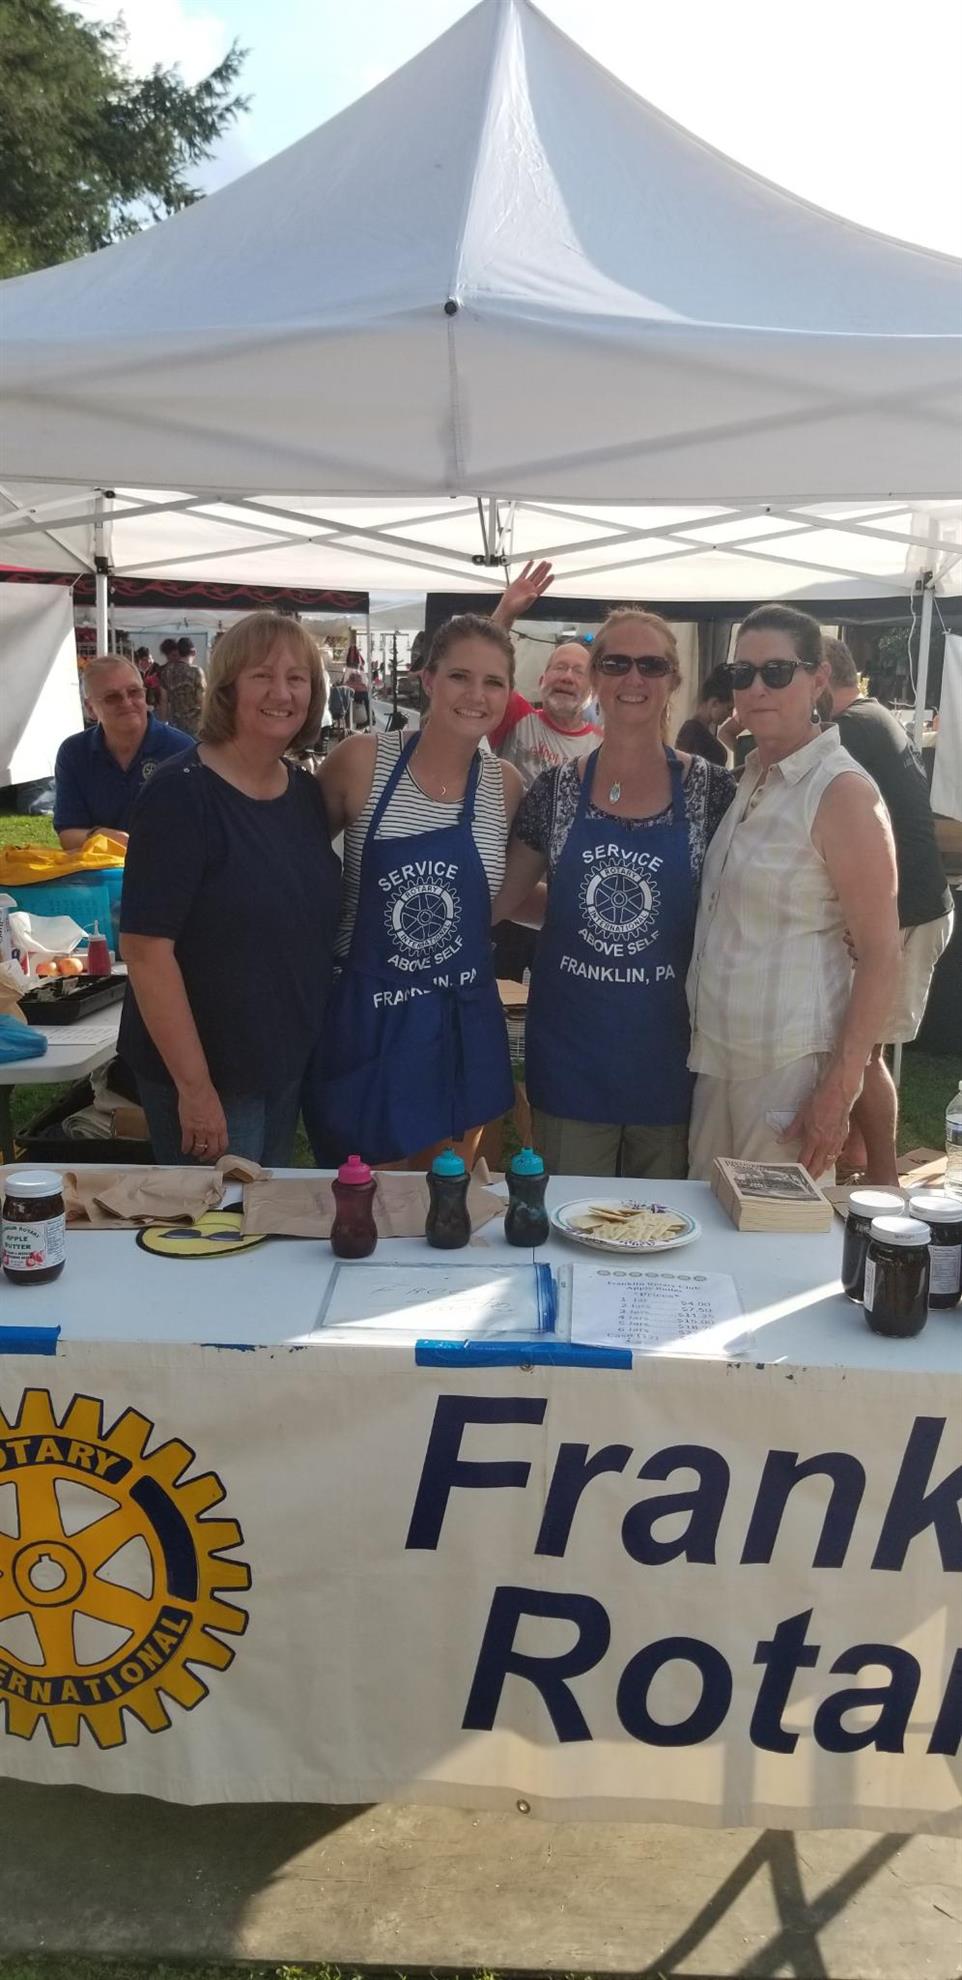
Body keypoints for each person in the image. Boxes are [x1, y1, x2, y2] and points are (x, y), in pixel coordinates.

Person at [492, 609, 736, 1177]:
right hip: (574, 1054)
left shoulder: (712, 791)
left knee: (664, 1236)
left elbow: (759, 892)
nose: (634, 678)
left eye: (651, 665)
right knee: (569, 1229)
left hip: (675, 1057)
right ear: (596, 677)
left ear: (673, 680)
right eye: (617, 663)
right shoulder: (555, 789)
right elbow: (503, 898)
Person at [687, 605, 901, 1183]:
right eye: (742, 673)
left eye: (776, 672)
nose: (756, 688)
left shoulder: (842, 792)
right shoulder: (752, 776)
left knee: (775, 1259)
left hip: (788, 1070)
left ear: (818, 681)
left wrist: (840, 1086)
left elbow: (882, 954)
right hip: (720, 1058)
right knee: (710, 1257)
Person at [119, 613, 341, 1165]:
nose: (282, 693)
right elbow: (146, 953)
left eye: (298, 679)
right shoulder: (181, 793)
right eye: (262, 675)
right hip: (209, 1076)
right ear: (227, 687)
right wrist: (195, 1092)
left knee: (261, 1226)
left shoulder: (306, 795)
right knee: (216, 1235)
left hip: (282, 1062)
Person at [311, 614, 524, 1168]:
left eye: (494, 682)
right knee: (368, 1201)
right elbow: (292, 869)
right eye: (459, 676)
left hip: (461, 1023)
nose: (476, 695)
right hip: (372, 1021)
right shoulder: (362, 762)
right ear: (427, 679)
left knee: (455, 1207)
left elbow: (509, 897)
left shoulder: (505, 787)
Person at [823, 635, 953, 1182]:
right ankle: (857, 1160)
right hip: (911, 907)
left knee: (864, 1048)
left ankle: (881, 1179)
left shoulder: (851, 727)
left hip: (907, 912)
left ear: (823, 674)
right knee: (859, 1041)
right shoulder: (869, 718)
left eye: (787, 672)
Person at [54, 655, 193, 850]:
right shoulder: (74, 753)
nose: (127, 702)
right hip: (100, 872)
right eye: (112, 697)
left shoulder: (182, 750)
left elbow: (200, 832)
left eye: (134, 692)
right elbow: (68, 835)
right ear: (90, 709)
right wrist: (99, 836)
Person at [489, 638, 600, 786]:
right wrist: (507, 614)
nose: (567, 677)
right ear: (542, 681)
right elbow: (487, 664)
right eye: (560, 667)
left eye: (579, 672)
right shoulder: (516, 715)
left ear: (591, 693)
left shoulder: (602, 744)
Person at [675, 665, 735, 767]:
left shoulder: (693, 731)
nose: (730, 715)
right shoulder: (692, 733)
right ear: (714, 703)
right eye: (729, 708)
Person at [161, 636, 205, 738]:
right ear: (193, 652)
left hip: (175, 725)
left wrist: (163, 723)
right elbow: (202, 700)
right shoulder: (196, 671)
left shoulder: (166, 671)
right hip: (195, 726)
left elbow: (163, 700)